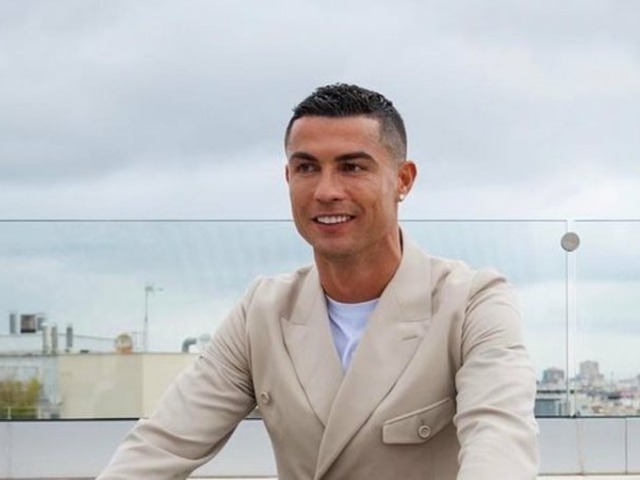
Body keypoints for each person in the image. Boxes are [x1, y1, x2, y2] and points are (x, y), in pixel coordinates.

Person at [98, 83, 539, 479]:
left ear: (402, 180)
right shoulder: (263, 312)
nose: (326, 191)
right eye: (307, 168)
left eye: (352, 168)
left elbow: (500, 442)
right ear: (288, 178)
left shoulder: (473, 303)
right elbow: (163, 444)